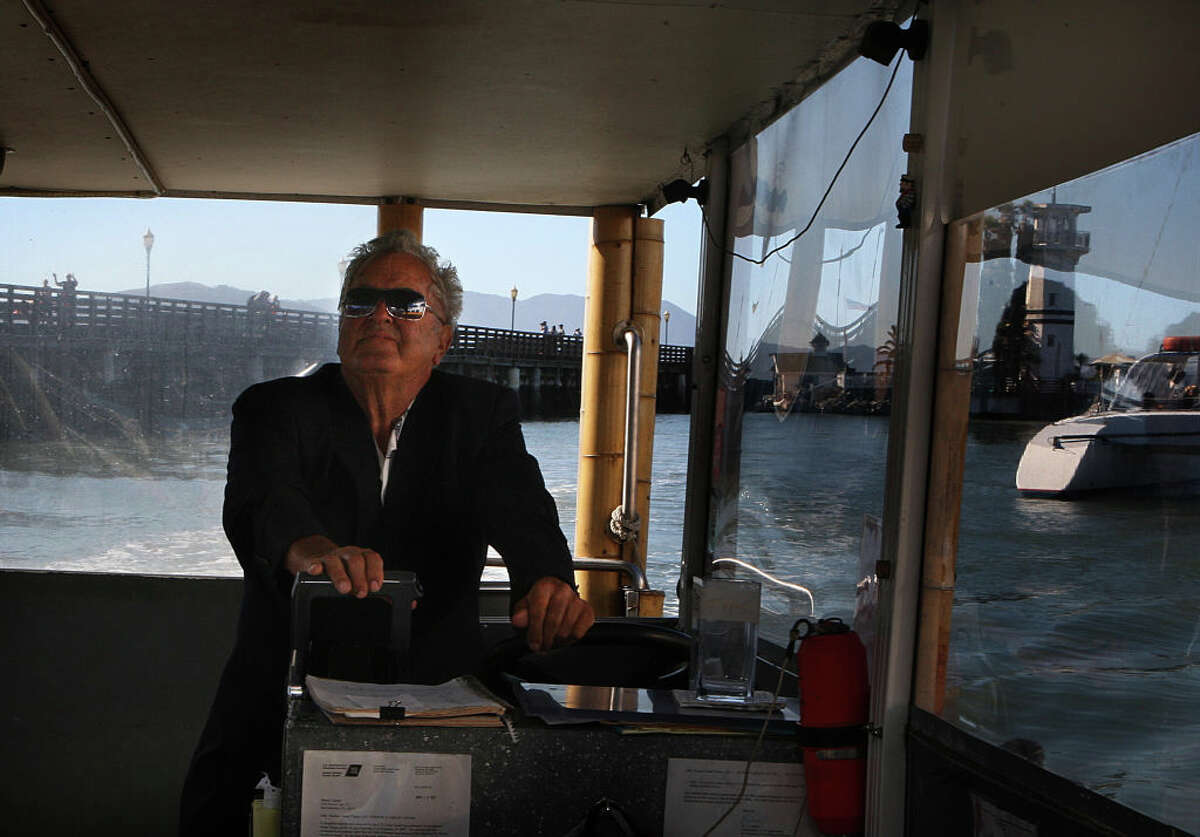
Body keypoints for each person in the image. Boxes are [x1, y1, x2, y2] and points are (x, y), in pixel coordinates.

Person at [180, 230, 593, 833]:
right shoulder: (275, 408)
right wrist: (313, 549)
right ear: (342, 325)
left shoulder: (479, 415)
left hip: (433, 696)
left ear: (443, 338)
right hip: (284, 687)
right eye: (361, 300)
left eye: (405, 303)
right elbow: (260, 502)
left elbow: (522, 505)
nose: (379, 314)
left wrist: (548, 578)